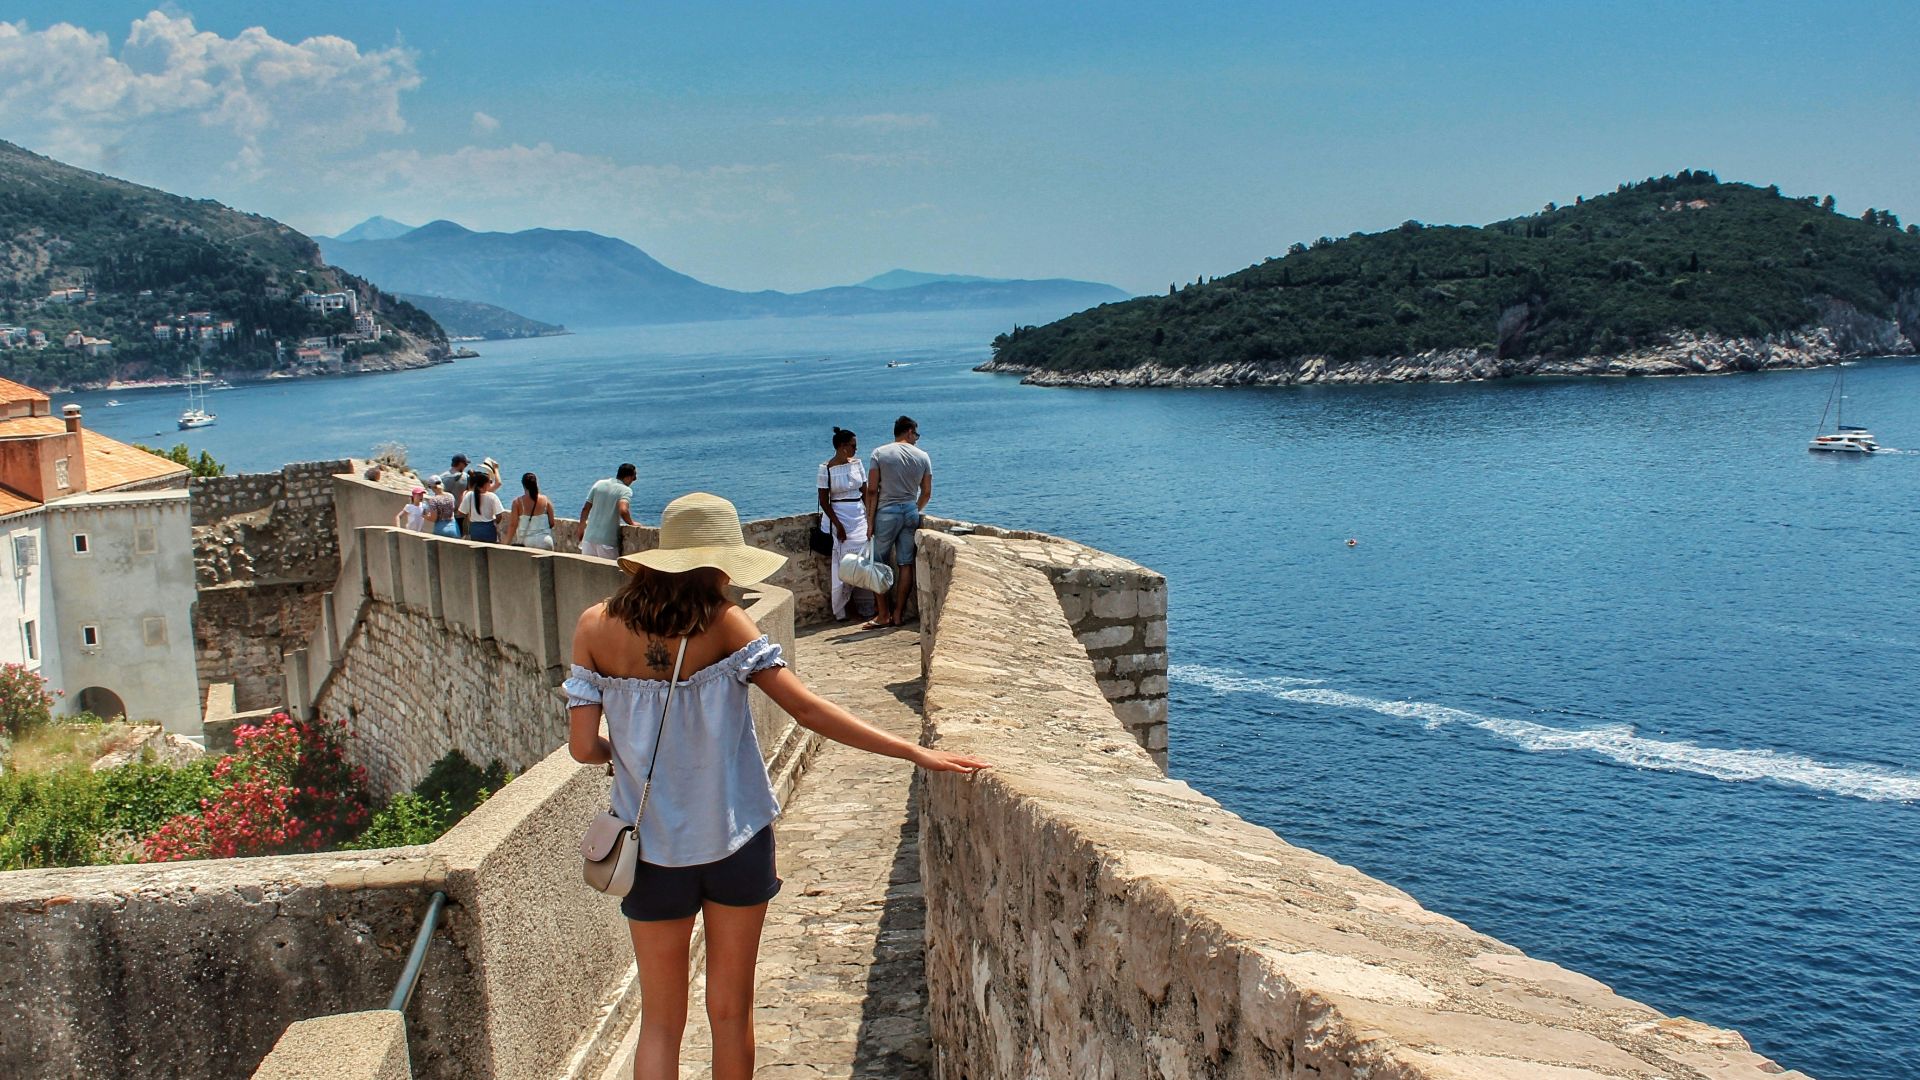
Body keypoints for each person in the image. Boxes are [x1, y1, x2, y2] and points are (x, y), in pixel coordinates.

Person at [564, 492, 987, 1079]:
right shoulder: (723, 623)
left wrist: (624, 755)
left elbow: (583, 748)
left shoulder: (594, 626)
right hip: (735, 840)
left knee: (661, 1022)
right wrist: (914, 750)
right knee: (731, 1013)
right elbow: (807, 711)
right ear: (718, 562)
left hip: (651, 848)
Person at [863, 415, 932, 629]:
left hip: (886, 513)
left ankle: (883, 615)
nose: (916, 439)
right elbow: (927, 492)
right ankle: (899, 614)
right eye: (916, 435)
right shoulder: (923, 456)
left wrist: (870, 520)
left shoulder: (879, 453)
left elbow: (872, 490)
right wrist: (913, 509)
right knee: (905, 564)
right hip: (910, 510)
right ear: (909, 431)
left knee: (877, 564)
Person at [815, 427, 869, 621]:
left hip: (858, 515)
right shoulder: (826, 468)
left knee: (863, 560)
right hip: (839, 516)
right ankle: (847, 607)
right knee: (844, 563)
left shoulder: (857, 464)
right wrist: (838, 525)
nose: (856, 449)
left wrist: (870, 518)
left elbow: (866, 491)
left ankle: (866, 603)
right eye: (853, 446)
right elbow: (824, 500)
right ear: (843, 446)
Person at [580, 463, 638, 560]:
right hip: (607, 542)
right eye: (634, 476)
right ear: (628, 477)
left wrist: (581, 528)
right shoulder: (625, 490)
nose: (635, 479)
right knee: (611, 574)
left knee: (589, 573)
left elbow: (585, 509)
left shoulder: (599, 484)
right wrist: (631, 523)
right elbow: (623, 510)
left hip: (588, 540)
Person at [505, 471, 557, 550]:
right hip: (545, 541)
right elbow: (552, 523)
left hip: (527, 542)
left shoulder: (517, 502)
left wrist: (505, 543)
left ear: (523, 486)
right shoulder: (546, 500)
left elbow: (513, 525)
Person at [459, 467, 506, 543]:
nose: (490, 483)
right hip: (489, 528)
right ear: (485, 484)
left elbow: (461, 512)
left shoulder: (469, 495)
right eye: (489, 482)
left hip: (475, 528)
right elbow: (499, 515)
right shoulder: (492, 496)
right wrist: (494, 522)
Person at [444, 454, 471, 536]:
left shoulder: (442, 477)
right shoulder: (466, 477)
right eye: (466, 464)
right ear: (461, 464)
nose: (466, 466)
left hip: (445, 515)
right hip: (461, 514)